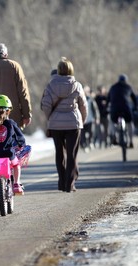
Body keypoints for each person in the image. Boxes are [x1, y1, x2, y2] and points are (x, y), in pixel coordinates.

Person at [41, 57, 88, 193]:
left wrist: (51, 118)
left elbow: (45, 105)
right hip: (74, 123)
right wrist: (82, 121)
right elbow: (83, 105)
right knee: (72, 154)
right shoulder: (77, 85)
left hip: (56, 125)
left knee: (59, 153)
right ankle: (70, 184)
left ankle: (61, 182)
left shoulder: (50, 85)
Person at [107, 74, 138, 148]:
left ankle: (114, 136)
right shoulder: (128, 87)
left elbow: (108, 99)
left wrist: (106, 109)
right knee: (130, 123)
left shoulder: (113, 87)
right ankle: (131, 141)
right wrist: (136, 107)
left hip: (115, 109)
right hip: (126, 108)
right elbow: (134, 99)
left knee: (112, 121)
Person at [80, 85, 99, 152]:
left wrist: (97, 118)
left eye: (87, 91)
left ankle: (90, 142)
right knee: (82, 135)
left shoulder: (91, 100)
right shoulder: (79, 99)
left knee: (91, 132)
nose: (85, 93)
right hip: (82, 120)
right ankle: (85, 146)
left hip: (90, 119)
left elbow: (95, 109)